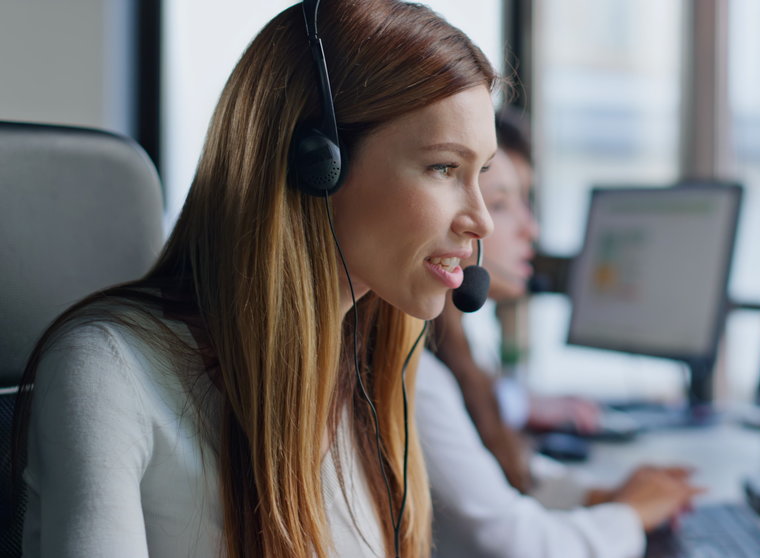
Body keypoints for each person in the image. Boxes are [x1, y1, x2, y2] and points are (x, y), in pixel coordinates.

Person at [13, 1, 498, 557]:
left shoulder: (375, 366)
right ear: (317, 165)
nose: (480, 219)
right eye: (444, 168)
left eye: (481, 173)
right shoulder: (109, 369)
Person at [416, 108, 702, 558]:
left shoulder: (451, 353)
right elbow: (509, 540)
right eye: (504, 203)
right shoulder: (419, 375)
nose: (531, 228)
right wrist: (628, 513)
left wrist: (602, 498)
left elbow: (500, 483)